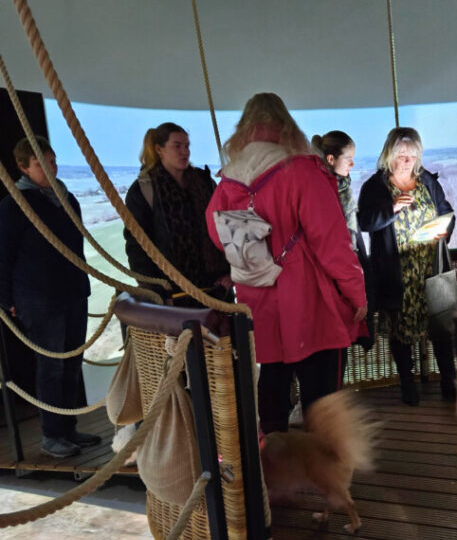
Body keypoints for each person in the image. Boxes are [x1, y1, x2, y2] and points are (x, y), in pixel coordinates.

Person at [206, 93, 366, 434]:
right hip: (310, 300)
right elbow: (333, 245)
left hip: (256, 299)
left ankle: (273, 459)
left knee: (272, 385)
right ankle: (325, 462)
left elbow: (218, 233)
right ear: (285, 125)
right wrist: (356, 295)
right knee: (322, 399)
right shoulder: (302, 170)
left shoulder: (228, 181)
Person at [0, 137, 101, 458]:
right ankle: (52, 435)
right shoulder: (14, 205)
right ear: (23, 167)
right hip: (39, 299)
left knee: (71, 364)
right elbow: (3, 254)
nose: (51, 168)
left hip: (72, 293)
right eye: (41, 163)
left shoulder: (66, 198)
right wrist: (6, 298)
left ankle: (68, 428)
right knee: (51, 367)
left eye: (53, 161)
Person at [358, 126, 456, 406]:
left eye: (412, 156)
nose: (407, 161)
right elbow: (364, 222)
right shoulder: (375, 187)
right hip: (397, 273)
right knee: (401, 330)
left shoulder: (427, 181)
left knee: (441, 325)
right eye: (402, 155)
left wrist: (444, 229)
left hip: (431, 269)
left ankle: (449, 379)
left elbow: (447, 212)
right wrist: (391, 209)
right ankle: (407, 382)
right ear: (389, 155)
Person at [123, 122, 230, 300]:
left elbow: (224, 226)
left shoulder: (204, 182)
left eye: (187, 146)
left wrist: (230, 273)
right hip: (172, 292)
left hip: (216, 286)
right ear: (159, 149)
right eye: (177, 146)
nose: (184, 152)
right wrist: (151, 288)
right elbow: (137, 244)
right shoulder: (143, 190)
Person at [312, 130, 374, 353]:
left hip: (351, 258)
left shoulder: (342, 186)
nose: (353, 164)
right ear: (331, 159)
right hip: (339, 267)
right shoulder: (325, 190)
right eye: (348, 158)